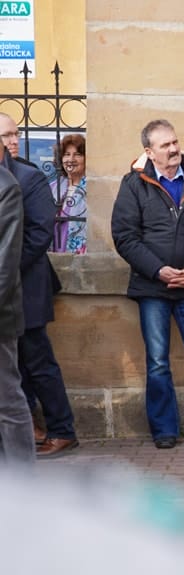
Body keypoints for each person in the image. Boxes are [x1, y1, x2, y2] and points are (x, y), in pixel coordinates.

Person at [111, 119, 184, 450]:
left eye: (175, 142)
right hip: (153, 288)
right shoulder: (134, 185)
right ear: (149, 152)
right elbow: (125, 237)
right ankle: (164, 430)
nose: (173, 149)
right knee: (157, 360)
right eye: (165, 145)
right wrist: (159, 270)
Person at [0, 113, 79, 458]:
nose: (12, 140)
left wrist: (8, 267)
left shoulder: (27, 177)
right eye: (6, 135)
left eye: (15, 133)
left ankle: (62, 429)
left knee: (38, 361)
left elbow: (37, 235)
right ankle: (32, 429)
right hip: (10, 282)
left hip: (26, 284)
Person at [0, 143, 35, 465]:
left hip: (1, 314)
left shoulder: (6, 187)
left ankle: (24, 482)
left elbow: (5, 264)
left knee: (6, 399)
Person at [51, 134, 87, 254]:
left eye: (77, 154)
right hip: (53, 250)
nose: (71, 159)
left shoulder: (91, 189)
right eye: (66, 154)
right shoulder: (54, 187)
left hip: (79, 256)